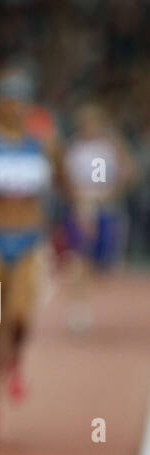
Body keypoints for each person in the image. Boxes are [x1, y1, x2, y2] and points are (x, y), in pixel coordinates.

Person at [0, 69, 59, 444]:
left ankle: (15, 357)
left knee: (20, 316)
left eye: (21, 99)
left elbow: (62, 183)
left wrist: (74, 214)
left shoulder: (44, 144)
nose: (14, 106)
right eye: (8, 98)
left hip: (28, 241)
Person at [62, 103, 134, 333]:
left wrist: (113, 189)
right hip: (84, 208)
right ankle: (79, 309)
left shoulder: (110, 147)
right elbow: (67, 180)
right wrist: (80, 203)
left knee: (102, 267)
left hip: (107, 209)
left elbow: (129, 173)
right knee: (78, 260)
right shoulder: (75, 148)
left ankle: (87, 294)